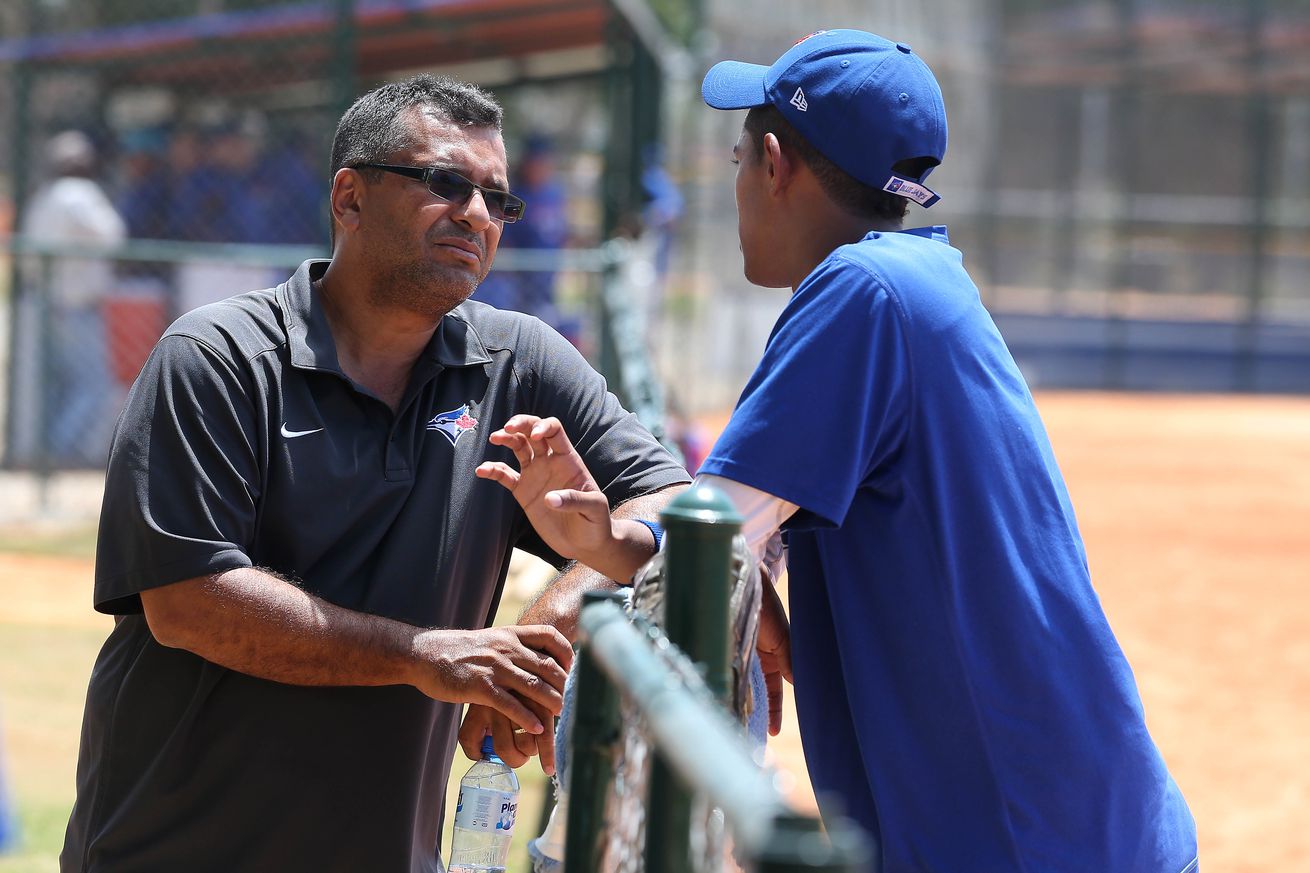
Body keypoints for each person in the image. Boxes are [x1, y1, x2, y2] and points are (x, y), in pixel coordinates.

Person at [485, 30, 1199, 873]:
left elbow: (709, 540)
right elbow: (727, 539)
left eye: (740, 157)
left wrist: (604, 555)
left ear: (776, 162)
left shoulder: (860, 294)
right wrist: (612, 540)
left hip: (1016, 831)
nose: (738, 181)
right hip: (1059, 813)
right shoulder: (910, 280)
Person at [61, 74, 690, 873]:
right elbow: (188, 600)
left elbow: (673, 497)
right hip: (175, 849)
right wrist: (423, 653)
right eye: (444, 183)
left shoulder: (516, 362)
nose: (474, 215)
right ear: (349, 198)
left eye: (497, 200)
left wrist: (550, 619)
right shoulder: (219, 357)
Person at [19, 130, 127, 465]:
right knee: (92, 386)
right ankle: (60, 452)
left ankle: (44, 452)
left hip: (44, 301)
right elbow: (113, 236)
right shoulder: (78, 193)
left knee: (56, 385)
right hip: (75, 305)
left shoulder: (44, 195)